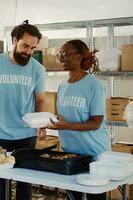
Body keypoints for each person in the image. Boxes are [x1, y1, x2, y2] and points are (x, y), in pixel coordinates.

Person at [0, 21, 47, 200]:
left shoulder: (37, 69)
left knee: (24, 179)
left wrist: (42, 125)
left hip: (26, 133)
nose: (28, 52)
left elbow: (40, 100)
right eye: (25, 45)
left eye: (32, 48)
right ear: (14, 40)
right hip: (0, 132)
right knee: (3, 180)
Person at [47, 40, 110, 200]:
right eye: (59, 54)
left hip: (93, 155)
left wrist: (66, 125)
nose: (61, 58)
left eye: (65, 54)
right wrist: (49, 123)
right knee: (72, 196)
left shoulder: (93, 85)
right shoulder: (62, 86)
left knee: (94, 197)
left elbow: (96, 122)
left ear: (80, 56)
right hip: (70, 155)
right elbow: (62, 118)